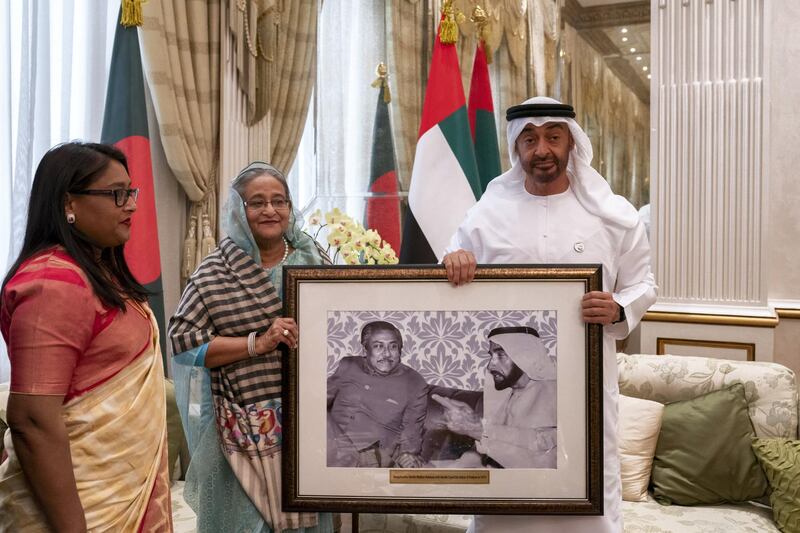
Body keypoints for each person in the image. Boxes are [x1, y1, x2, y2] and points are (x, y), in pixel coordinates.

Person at [442, 96, 657, 532]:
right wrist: (455, 262)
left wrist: (617, 306)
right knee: (504, 500)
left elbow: (644, 285)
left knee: (587, 500)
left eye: (553, 137)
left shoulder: (614, 217)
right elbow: (452, 270)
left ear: (571, 143)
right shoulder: (485, 218)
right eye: (530, 139)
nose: (542, 149)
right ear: (516, 148)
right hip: (506, 397)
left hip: (587, 394)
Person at [0, 142, 172, 532]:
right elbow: (32, 420)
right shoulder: (52, 283)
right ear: (68, 204)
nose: (130, 205)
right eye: (117, 194)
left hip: (125, 496)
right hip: (81, 511)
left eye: (131, 192)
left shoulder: (98, 273)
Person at [168, 162, 333, 533]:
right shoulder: (215, 270)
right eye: (256, 202)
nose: (270, 210)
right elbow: (183, 343)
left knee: (306, 521)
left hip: (304, 421)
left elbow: (341, 324)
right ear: (238, 211)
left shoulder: (312, 257)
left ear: (291, 207)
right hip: (238, 426)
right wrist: (258, 343)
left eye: (279, 201)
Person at [432, 326, 557, 469]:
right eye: (491, 355)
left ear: (525, 357)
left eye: (501, 355)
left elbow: (540, 461)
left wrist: (475, 428)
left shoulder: (552, 393)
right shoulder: (509, 394)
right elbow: (484, 456)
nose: (491, 365)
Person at [327, 320, 428, 468]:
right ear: (365, 350)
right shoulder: (347, 365)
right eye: (378, 346)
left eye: (393, 346)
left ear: (400, 350)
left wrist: (408, 453)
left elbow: (412, 428)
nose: (386, 353)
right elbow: (319, 402)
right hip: (328, 444)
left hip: (367, 455)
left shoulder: (414, 382)